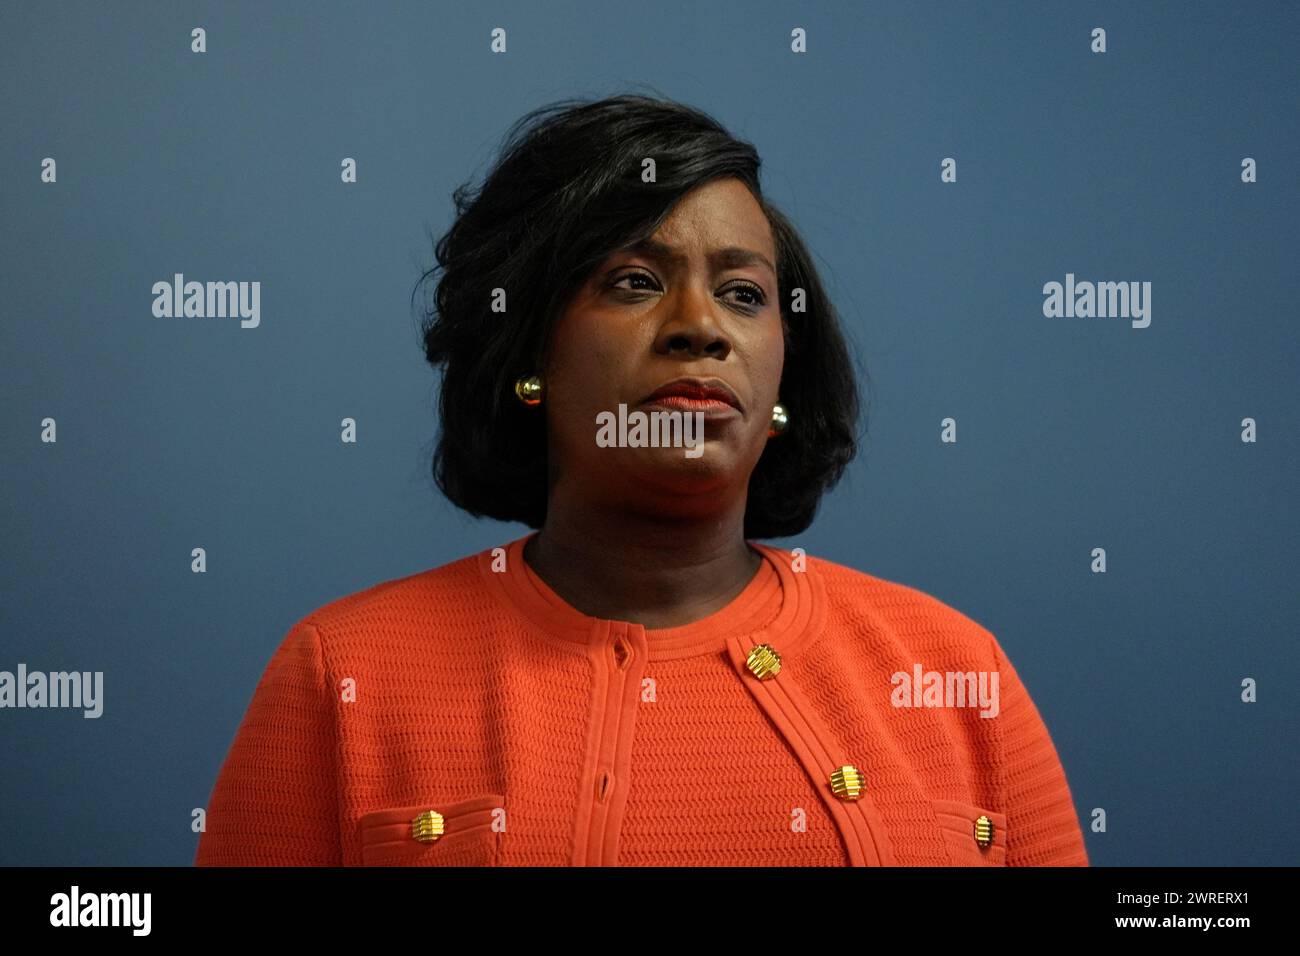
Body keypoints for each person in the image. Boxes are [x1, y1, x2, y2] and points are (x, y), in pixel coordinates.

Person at [195, 93, 1089, 867]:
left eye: (743, 293)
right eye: (633, 281)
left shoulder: (953, 670)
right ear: (528, 352)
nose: (700, 326)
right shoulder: (342, 674)